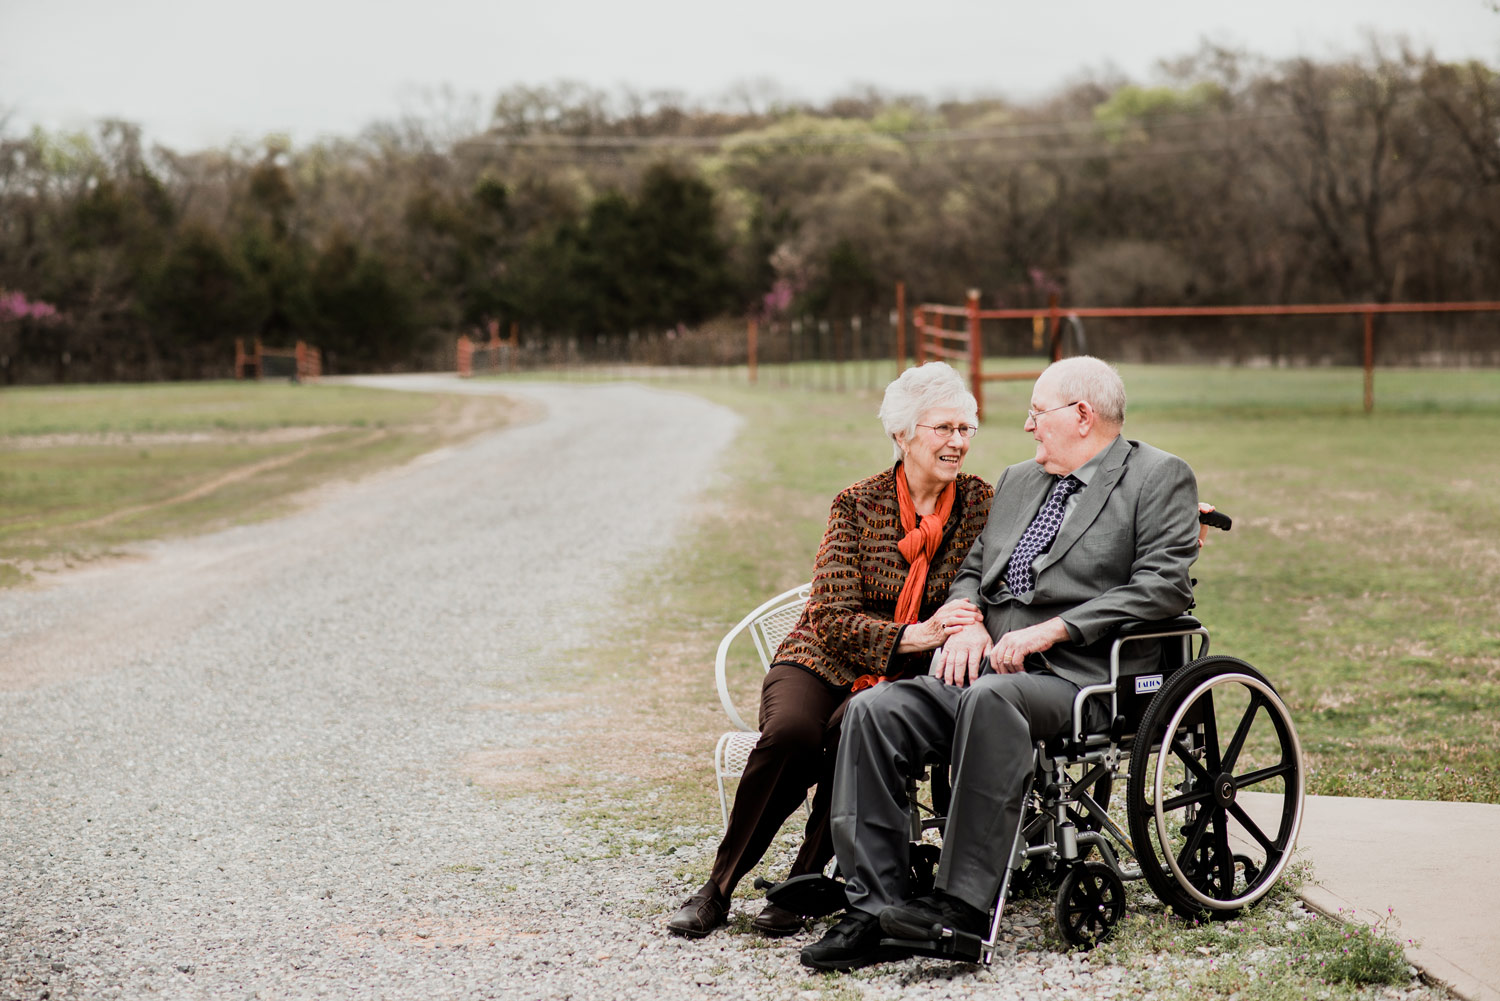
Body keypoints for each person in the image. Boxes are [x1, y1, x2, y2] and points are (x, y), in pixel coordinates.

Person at [801, 356, 1200, 970]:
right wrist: (965, 619)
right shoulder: (1019, 481)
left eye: (1037, 414)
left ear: (1082, 416)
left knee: (992, 699)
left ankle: (959, 908)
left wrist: (1055, 629)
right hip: (989, 667)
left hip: (1081, 679)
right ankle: (874, 909)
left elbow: (1163, 587)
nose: (1027, 427)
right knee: (875, 709)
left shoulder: (1158, 477)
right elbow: (970, 571)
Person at [668, 362, 994, 939]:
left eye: (966, 429)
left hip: (902, 678)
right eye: (942, 428)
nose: (957, 442)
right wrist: (912, 634)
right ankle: (718, 887)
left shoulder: (981, 506)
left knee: (855, 735)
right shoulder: (856, 504)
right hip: (821, 657)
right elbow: (832, 614)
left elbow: (1050, 525)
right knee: (794, 735)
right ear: (902, 434)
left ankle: (802, 883)